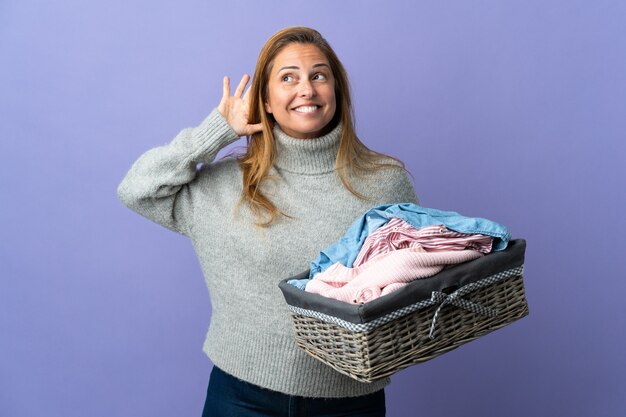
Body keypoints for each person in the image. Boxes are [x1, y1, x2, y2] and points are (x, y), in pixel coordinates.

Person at [117, 26, 418, 417]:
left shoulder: (384, 180)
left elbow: (415, 277)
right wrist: (215, 132)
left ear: (336, 92)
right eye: (288, 77)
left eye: (319, 76)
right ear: (267, 102)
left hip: (351, 401)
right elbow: (137, 189)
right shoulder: (225, 186)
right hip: (240, 397)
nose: (306, 89)